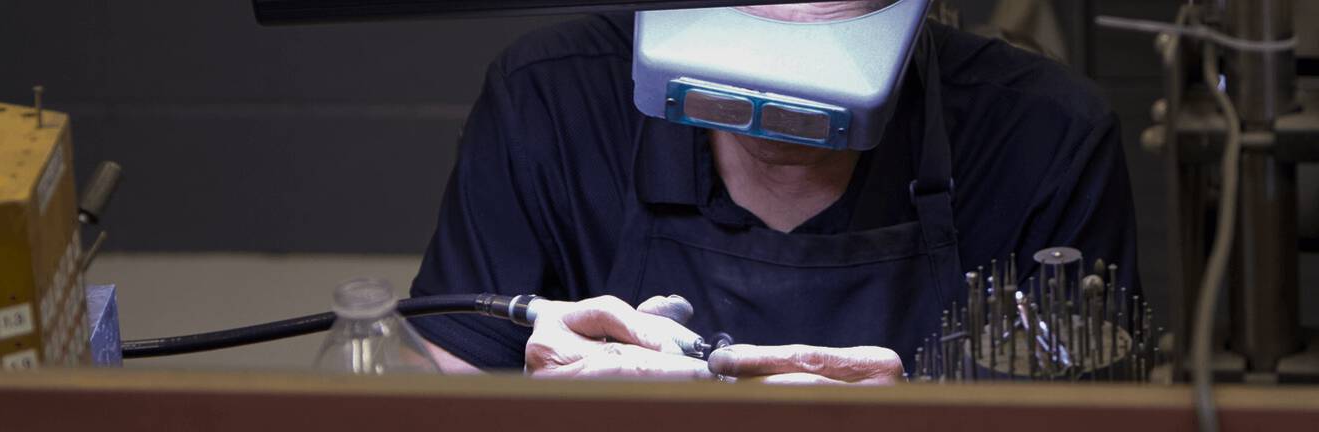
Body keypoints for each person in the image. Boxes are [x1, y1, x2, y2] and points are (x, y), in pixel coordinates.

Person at [407, 1, 1139, 384]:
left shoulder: (1044, 138)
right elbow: (424, 395)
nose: (772, 101)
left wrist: (921, 420)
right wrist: (544, 412)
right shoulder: (551, 100)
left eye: (824, 59)